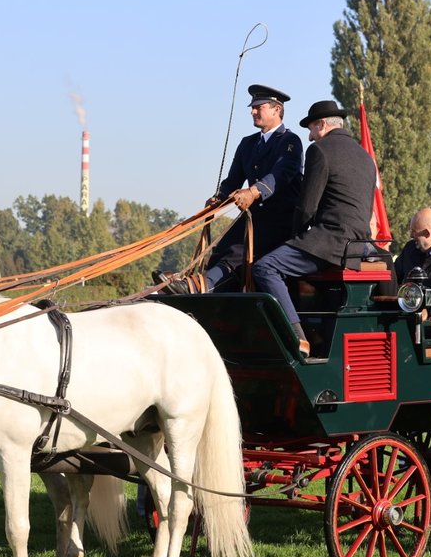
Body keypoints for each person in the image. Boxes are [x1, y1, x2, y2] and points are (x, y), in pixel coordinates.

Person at [252, 100, 377, 357]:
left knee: (265, 267)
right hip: (361, 245)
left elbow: (306, 207)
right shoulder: (365, 157)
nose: (309, 136)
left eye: (311, 129)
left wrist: (295, 237)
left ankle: (296, 337)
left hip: (330, 241)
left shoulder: (320, 150)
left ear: (322, 124)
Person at [154, 84, 303, 293]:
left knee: (236, 249)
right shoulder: (248, 144)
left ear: (276, 109)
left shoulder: (290, 141)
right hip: (254, 217)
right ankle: (200, 286)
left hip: (280, 220)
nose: (252, 111)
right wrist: (218, 198)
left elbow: (282, 174)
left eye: (258, 107)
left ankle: (201, 286)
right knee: (222, 246)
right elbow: (233, 179)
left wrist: (253, 192)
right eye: (252, 107)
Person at [394, 207, 431, 294]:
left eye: (414, 231)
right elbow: (394, 277)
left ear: (427, 233)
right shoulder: (409, 250)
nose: (411, 235)